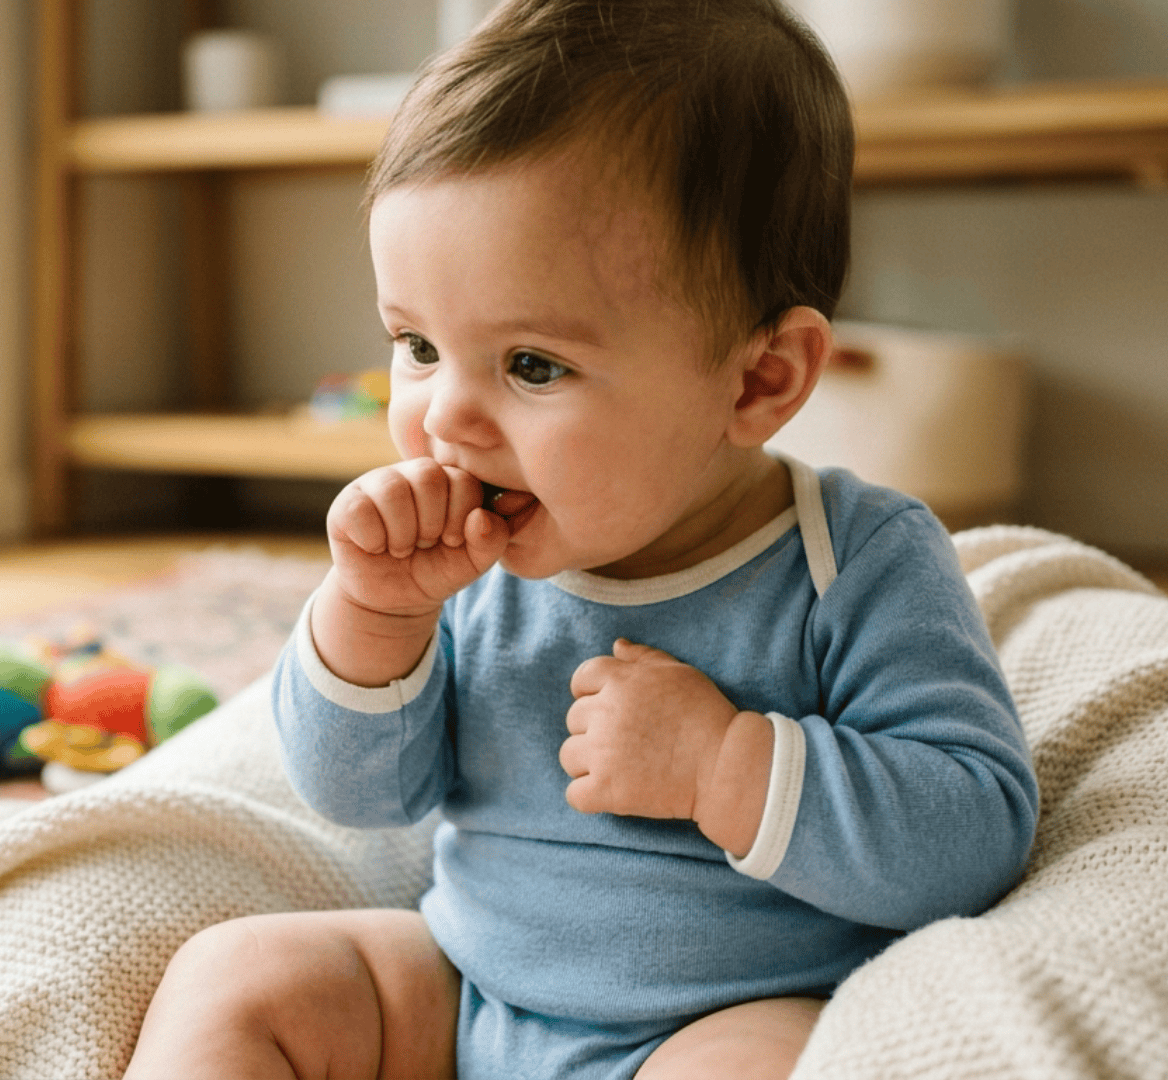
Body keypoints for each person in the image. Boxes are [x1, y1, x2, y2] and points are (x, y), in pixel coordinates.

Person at [124, 1, 1038, 1077]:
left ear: (760, 380)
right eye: (417, 346)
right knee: (233, 980)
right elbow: (361, 798)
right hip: (464, 989)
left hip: (720, 1019)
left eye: (532, 366)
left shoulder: (858, 560)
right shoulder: (467, 560)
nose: (445, 419)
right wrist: (372, 621)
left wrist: (724, 764)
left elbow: (973, 837)